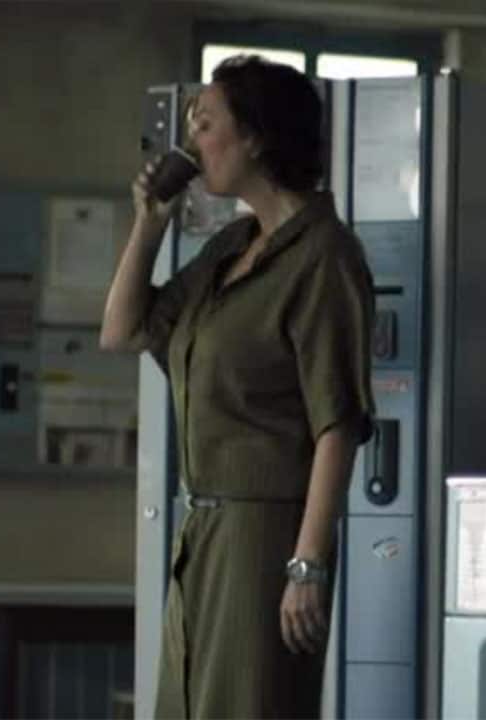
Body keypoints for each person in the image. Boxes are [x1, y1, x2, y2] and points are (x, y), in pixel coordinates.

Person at [99, 55, 375, 719]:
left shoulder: (325, 254)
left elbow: (337, 422)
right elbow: (122, 330)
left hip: (263, 537)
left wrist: (307, 564)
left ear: (254, 136)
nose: (192, 146)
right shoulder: (230, 247)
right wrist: (149, 224)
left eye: (205, 125)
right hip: (201, 530)